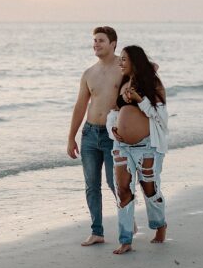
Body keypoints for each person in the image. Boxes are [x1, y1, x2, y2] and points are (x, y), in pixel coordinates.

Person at [105, 45, 169, 254]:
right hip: (121, 146)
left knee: (149, 188)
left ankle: (160, 225)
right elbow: (114, 112)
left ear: (134, 61)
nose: (120, 62)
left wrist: (140, 100)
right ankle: (125, 239)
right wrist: (112, 128)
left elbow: (160, 117)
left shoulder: (153, 84)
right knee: (123, 190)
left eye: (124, 59)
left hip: (147, 147)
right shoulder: (124, 83)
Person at [67, 26, 122, 247]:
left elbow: (147, 75)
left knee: (114, 182)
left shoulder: (124, 67)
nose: (96, 44)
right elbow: (80, 106)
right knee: (91, 185)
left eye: (101, 40)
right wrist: (71, 137)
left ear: (113, 43)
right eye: (94, 41)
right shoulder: (89, 73)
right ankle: (97, 231)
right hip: (89, 133)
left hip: (113, 134)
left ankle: (127, 218)